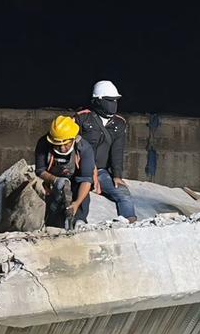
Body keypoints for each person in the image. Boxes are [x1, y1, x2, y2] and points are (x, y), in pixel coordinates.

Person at [75, 80, 137, 222]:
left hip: (102, 171)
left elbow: (117, 151)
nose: (113, 104)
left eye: (115, 100)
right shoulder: (82, 118)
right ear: (98, 101)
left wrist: (117, 175)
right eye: (109, 100)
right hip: (80, 169)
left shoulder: (119, 123)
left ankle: (130, 222)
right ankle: (78, 222)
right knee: (79, 191)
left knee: (123, 194)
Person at [34, 115, 95, 229]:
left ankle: (79, 222)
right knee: (53, 210)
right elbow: (40, 170)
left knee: (80, 202)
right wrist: (55, 180)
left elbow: (86, 179)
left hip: (77, 181)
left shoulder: (84, 148)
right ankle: (52, 226)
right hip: (52, 180)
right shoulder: (43, 144)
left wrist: (76, 203)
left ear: (73, 138)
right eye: (57, 144)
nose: (62, 148)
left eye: (66, 144)